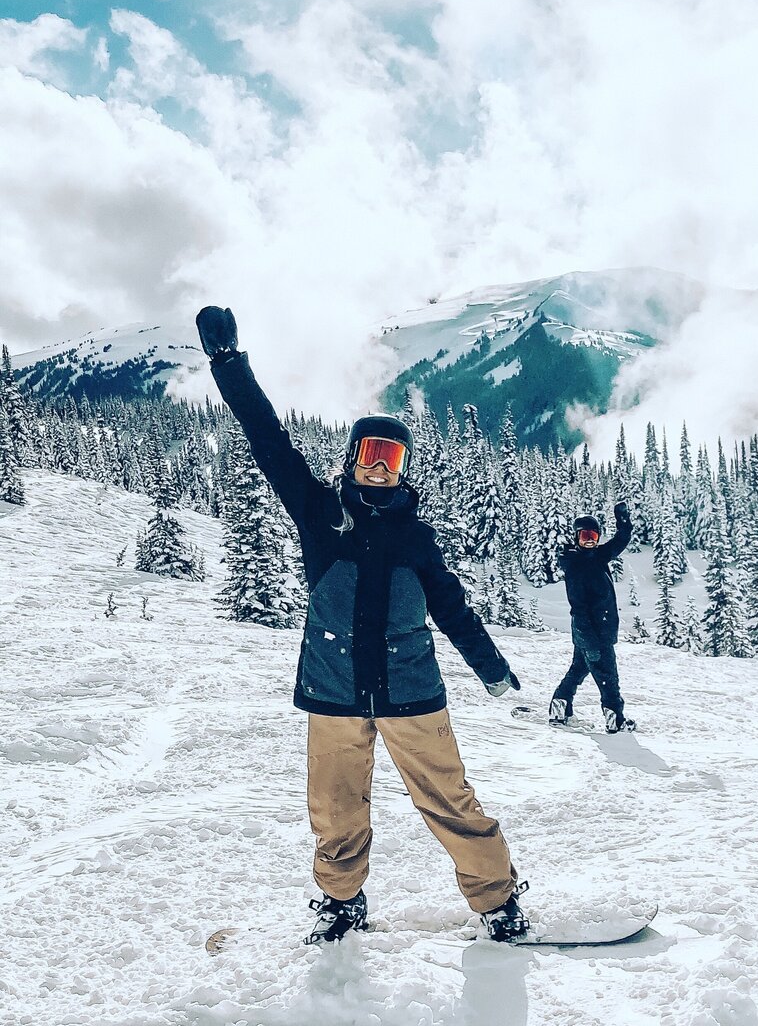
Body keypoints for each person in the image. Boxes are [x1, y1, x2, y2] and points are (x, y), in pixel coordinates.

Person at [195, 306, 529, 943]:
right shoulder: (319, 515)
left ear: (402, 468)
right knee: (337, 809)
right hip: (334, 692)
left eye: (392, 456)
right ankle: (342, 901)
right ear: (351, 460)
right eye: (370, 453)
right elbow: (268, 439)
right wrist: (228, 365)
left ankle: (498, 899)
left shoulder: (416, 538)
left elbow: (454, 609)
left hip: (412, 693)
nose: (380, 466)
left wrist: (494, 671)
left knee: (451, 803)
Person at [549, 503, 636, 733]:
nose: (589, 540)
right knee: (608, 677)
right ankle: (615, 719)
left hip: (595, 632)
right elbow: (579, 609)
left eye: (594, 535)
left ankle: (560, 705)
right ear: (576, 537)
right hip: (593, 633)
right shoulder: (576, 566)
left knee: (578, 669)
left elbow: (618, 544)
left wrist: (624, 523)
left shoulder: (597, 557)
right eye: (585, 535)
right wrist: (591, 642)